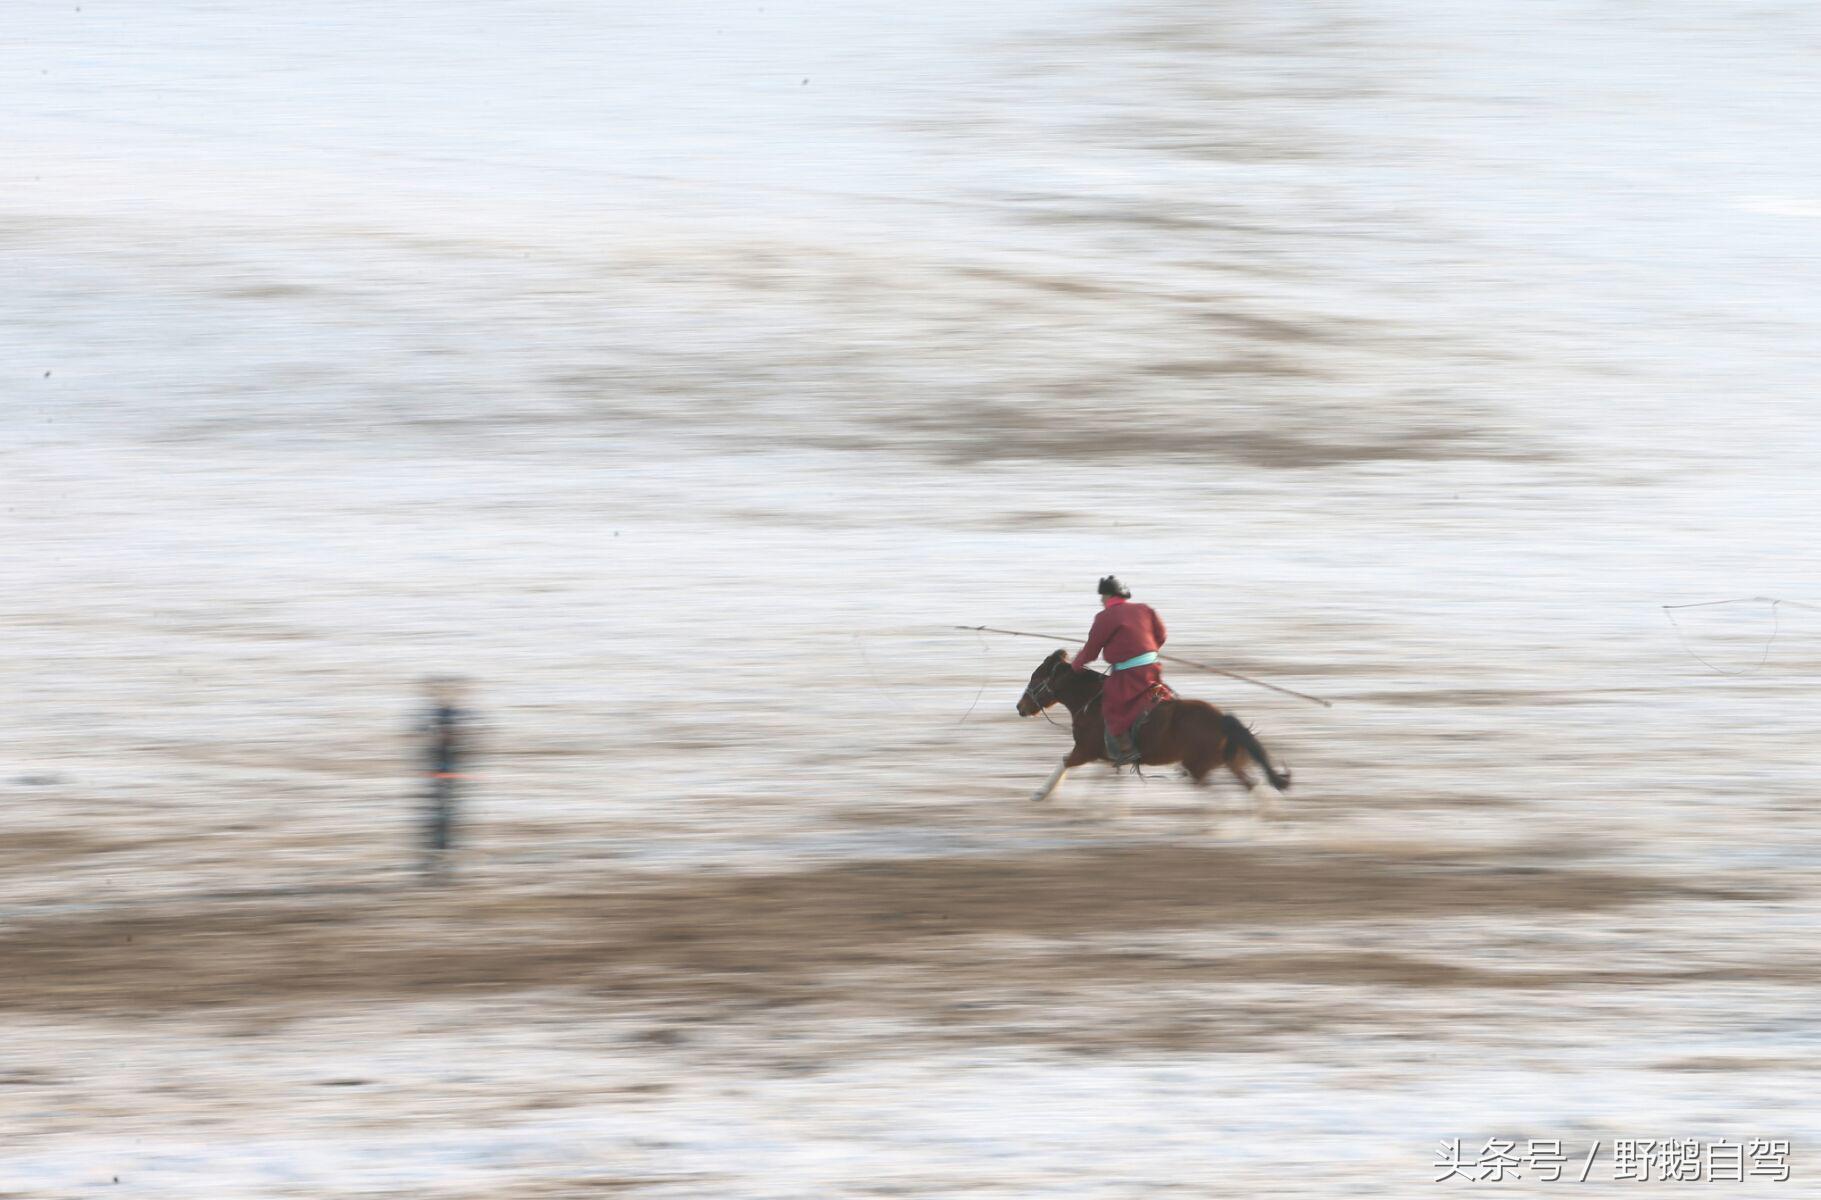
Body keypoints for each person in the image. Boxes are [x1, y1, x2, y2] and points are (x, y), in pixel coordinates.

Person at [1070, 576, 1172, 765]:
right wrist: (1146, 650)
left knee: (1111, 706)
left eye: (1102, 596)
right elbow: (1162, 635)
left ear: (1108, 595)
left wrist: (1076, 664)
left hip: (1128, 675)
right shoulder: (1145, 609)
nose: (1101, 601)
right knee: (1161, 692)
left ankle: (1126, 750)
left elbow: (1091, 651)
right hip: (1152, 668)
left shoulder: (1104, 617)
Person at [415, 675, 476, 879]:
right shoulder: (441, 715)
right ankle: (438, 859)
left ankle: (442, 859)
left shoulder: (452, 715)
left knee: (445, 817)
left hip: (446, 774)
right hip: (440, 774)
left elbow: (465, 742)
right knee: (439, 817)